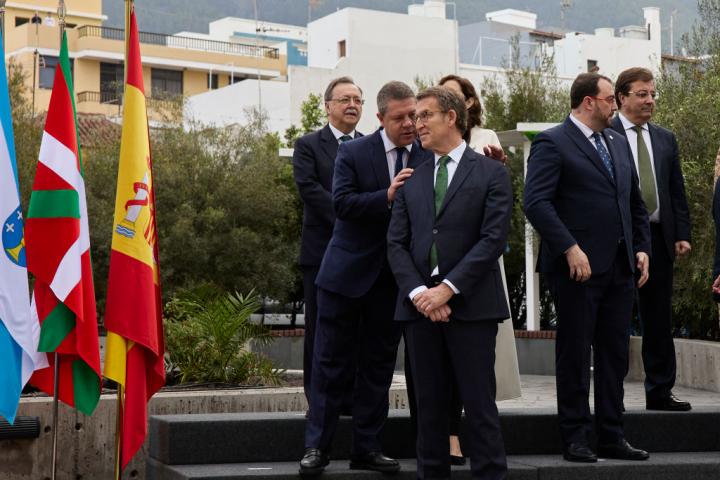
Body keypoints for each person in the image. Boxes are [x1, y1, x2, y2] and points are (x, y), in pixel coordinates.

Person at [300, 81, 430, 476]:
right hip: (345, 276)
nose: (409, 124)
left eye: (413, 116)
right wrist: (386, 196)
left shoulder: (427, 155)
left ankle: (367, 448)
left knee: (378, 367)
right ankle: (316, 448)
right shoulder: (354, 151)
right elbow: (341, 203)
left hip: (392, 282)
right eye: (400, 117)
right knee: (329, 364)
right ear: (381, 117)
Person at [524, 73, 651, 463]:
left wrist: (642, 248)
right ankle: (575, 437)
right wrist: (569, 248)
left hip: (620, 267)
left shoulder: (617, 141)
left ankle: (612, 434)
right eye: (610, 99)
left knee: (615, 355)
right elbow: (536, 202)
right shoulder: (552, 142)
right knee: (575, 354)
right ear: (588, 102)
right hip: (576, 269)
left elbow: (634, 202)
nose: (616, 105)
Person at [388, 86, 512, 480]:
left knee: (480, 408)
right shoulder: (411, 179)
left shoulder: (492, 172)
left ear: (452, 117)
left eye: (425, 115)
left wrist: (448, 289)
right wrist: (420, 294)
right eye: (415, 117)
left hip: (473, 308)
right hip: (419, 312)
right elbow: (396, 244)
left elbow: (492, 240)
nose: (417, 124)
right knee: (428, 414)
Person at [437, 74, 521, 464]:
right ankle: (450, 435)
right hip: (439, 266)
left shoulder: (487, 138)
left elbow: (498, 202)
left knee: (479, 359)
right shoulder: (429, 145)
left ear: (468, 102)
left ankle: (481, 436)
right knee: (444, 361)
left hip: (481, 265)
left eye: (454, 94)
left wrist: (499, 168)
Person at [611, 67, 693, 412]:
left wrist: (682, 233)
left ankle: (660, 391)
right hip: (619, 238)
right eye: (642, 94)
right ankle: (611, 396)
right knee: (614, 317)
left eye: (652, 94)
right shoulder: (606, 135)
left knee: (658, 317)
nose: (649, 101)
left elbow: (676, 189)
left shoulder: (665, 138)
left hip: (659, 237)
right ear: (621, 97)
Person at [292, 76, 363, 412]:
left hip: (363, 255)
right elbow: (310, 189)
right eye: (345, 99)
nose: (352, 105)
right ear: (328, 106)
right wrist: (351, 216)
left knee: (357, 330)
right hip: (322, 253)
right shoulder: (308, 145)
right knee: (320, 329)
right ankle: (319, 401)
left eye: (358, 100)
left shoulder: (370, 145)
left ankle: (352, 399)